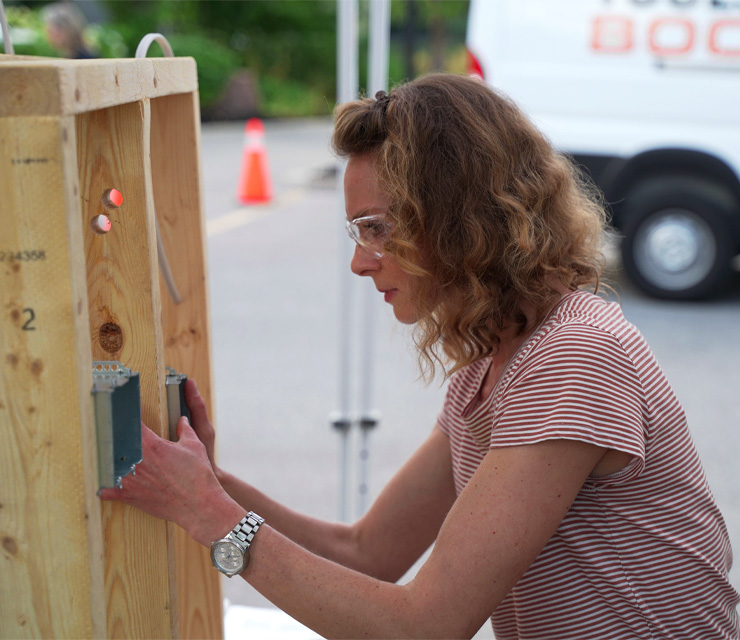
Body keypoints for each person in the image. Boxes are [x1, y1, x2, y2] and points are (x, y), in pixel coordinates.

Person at [100, 74, 739, 639]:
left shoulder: (575, 356)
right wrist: (209, 483)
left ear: (460, 215)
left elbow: (426, 626)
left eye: (376, 228)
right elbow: (367, 552)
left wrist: (207, 513)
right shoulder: (495, 360)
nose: (359, 260)